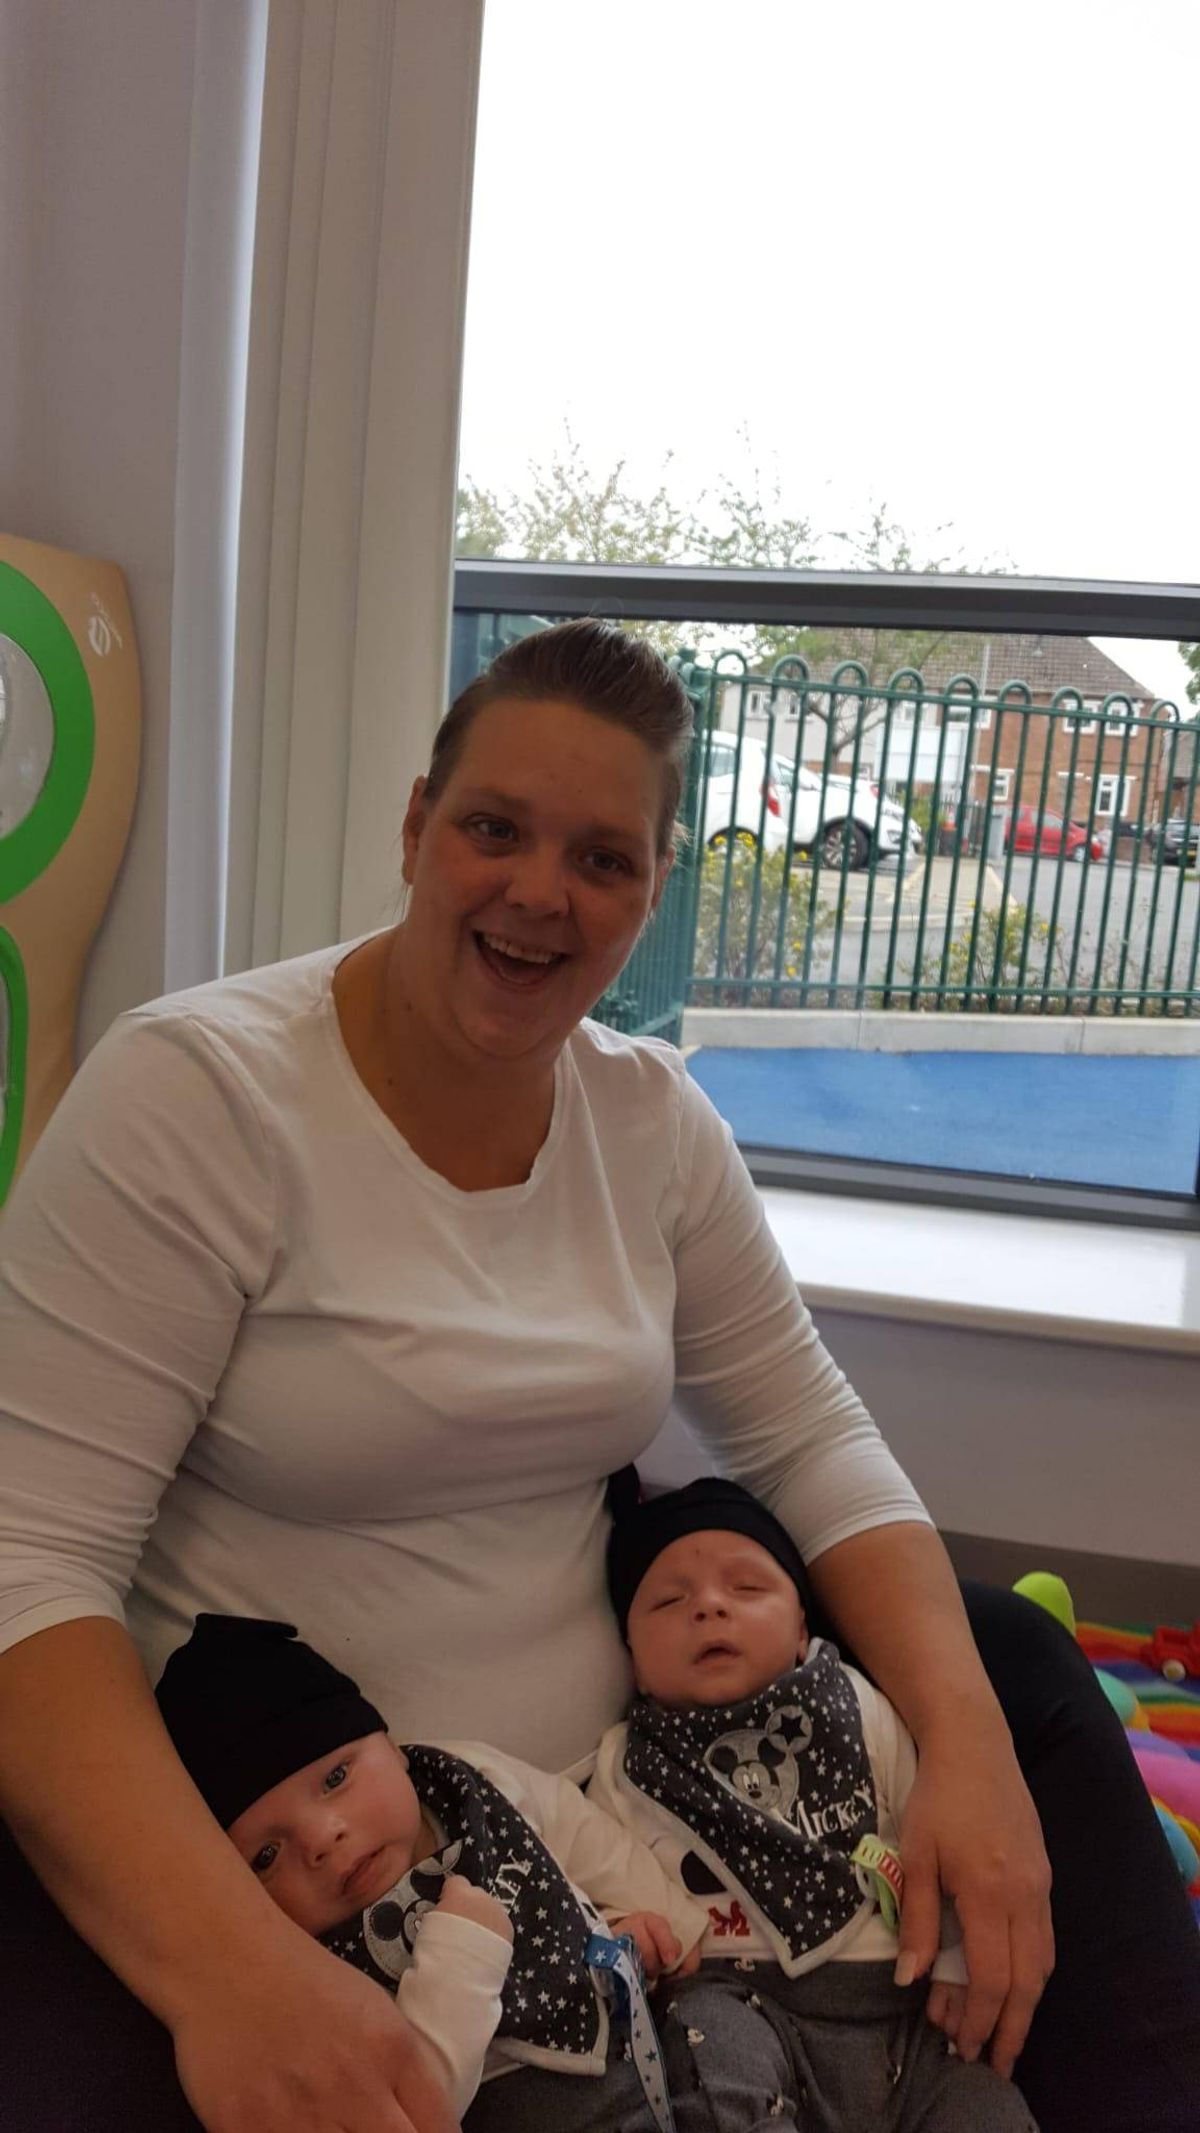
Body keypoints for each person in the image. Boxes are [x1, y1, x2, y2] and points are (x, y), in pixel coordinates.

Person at [0, 618, 1196, 2133]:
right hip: (323, 1849)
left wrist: (968, 1765)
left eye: (603, 858)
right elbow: (28, 1562)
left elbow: (813, 1430)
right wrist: (227, 1974)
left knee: (1010, 1675)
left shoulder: (649, 1118)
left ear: (652, 888)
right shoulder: (198, 1100)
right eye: (494, 828)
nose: (537, 892)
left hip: (634, 1788)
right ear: (419, 823)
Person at [590, 1472, 1038, 2132]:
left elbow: (937, 1834)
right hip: (735, 1998)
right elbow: (599, 1867)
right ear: (632, 1659)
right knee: (710, 2064)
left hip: (900, 2016)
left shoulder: (857, 1707)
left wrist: (956, 1960)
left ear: (802, 1627)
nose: (710, 1606)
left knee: (982, 2103)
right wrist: (624, 1923)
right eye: (667, 1601)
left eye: (746, 1587)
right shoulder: (627, 1761)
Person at [154, 1614, 705, 2128]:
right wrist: (461, 1963)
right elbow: (409, 2105)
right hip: (510, 2105)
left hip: (632, 2030)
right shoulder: (310, 1972)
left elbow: (570, 1827)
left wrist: (645, 1919)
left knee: (730, 2035)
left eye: (335, 1778)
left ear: (393, 1750)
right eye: (266, 1856)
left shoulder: (463, 1784)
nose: (322, 1839)